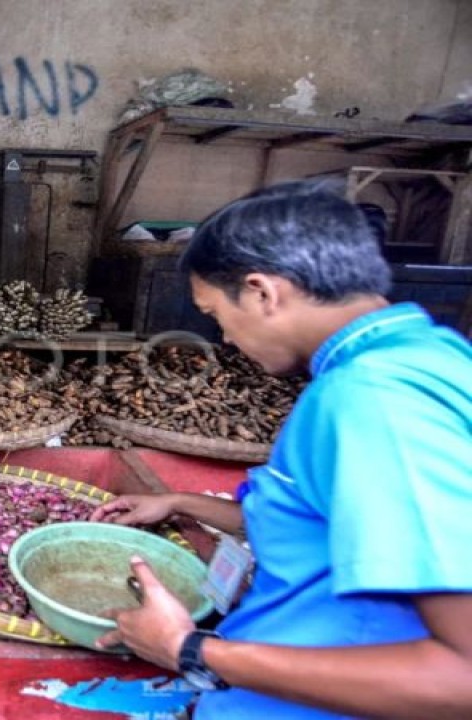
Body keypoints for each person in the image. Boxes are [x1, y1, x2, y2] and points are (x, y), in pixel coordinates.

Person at [88, 179, 472, 719]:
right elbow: (332, 525)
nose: (222, 339)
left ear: (262, 293)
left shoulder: (376, 398)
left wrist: (189, 648)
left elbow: (461, 678)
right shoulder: (430, 356)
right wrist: (180, 504)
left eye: (217, 315)